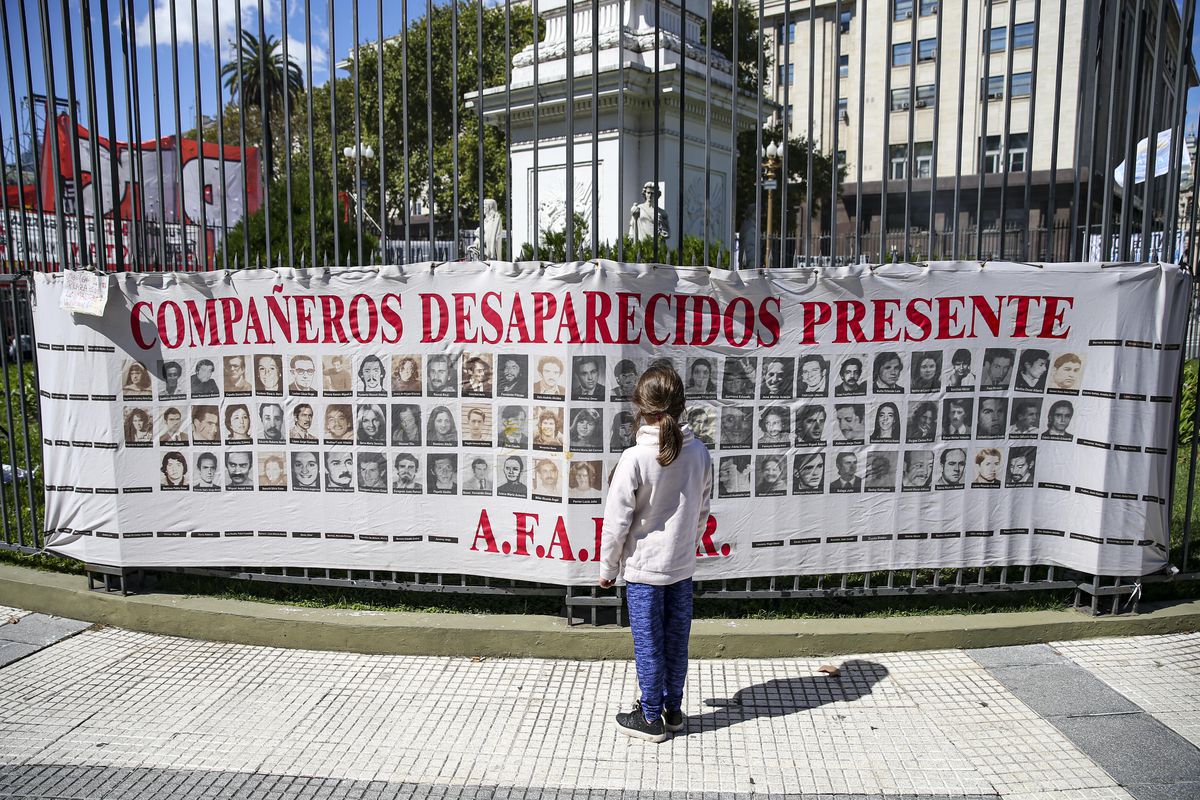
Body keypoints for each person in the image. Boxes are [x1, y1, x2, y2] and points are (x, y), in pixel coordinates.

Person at [599, 363, 711, 743]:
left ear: (639, 407)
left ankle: (649, 718)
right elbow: (702, 510)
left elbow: (616, 521)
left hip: (645, 570)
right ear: (681, 405)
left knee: (649, 644)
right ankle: (673, 710)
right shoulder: (699, 452)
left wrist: (608, 567)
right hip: (681, 566)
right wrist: (688, 547)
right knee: (677, 640)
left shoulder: (634, 457)